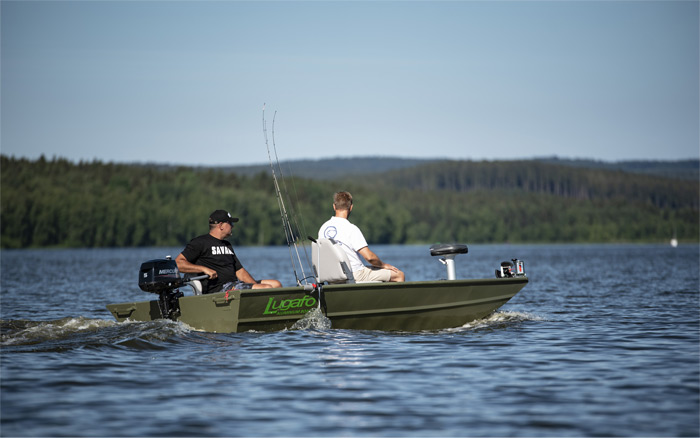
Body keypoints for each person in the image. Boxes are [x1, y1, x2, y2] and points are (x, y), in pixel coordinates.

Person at [176, 209, 282, 293]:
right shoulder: (200, 242)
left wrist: (254, 285)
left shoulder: (227, 245)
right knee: (265, 288)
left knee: (276, 284)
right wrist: (203, 269)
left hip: (234, 284)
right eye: (230, 223)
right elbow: (178, 263)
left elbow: (239, 271)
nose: (233, 226)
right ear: (221, 225)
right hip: (219, 290)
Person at [318, 191, 405, 282]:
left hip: (332, 276)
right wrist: (383, 265)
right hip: (354, 275)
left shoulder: (323, 228)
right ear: (351, 207)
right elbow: (370, 258)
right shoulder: (351, 228)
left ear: (334, 206)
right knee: (399, 275)